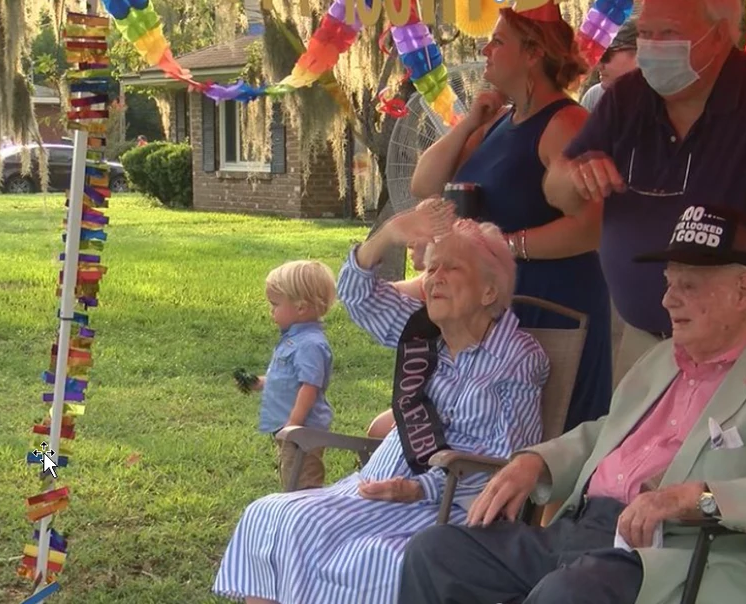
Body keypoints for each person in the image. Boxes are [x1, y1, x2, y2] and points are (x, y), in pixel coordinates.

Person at [399, 206, 746, 604]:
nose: (667, 299)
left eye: (689, 286)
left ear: (740, 292)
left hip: (679, 556)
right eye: (669, 283)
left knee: (567, 595)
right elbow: (607, 432)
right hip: (580, 534)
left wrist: (701, 498)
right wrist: (537, 462)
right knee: (435, 553)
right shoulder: (661, 359)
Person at [212, 204, 549, 604]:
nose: (434, 279)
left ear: (489, 291)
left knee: (374, 560)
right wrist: (389, 234)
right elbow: (356, 295)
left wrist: (418, 488)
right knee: (270, 516)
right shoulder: (425, 333)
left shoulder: (517, 357)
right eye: (432, 269)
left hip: (441, 510)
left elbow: (506, 464)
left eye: (451, 269)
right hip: (370, 493)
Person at [541, 0, 746, 385]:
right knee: (634, 445)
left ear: (718, 33)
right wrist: (574, 176)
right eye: (646, 35)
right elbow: (555, 189)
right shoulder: (626, 98)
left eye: (668, 34)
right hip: (642, 343)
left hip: (742, 344)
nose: (651, 46)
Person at [407, 0, 612, 432]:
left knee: (547, 436)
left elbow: (591, 227)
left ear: (533, 53)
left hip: (552, 304)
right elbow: (423, 183)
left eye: (498, 42)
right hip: (499, 308)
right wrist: (469, 123)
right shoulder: (498, 121)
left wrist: (505, 247)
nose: (485, 52)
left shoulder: (567, 122)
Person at [235, 260, 337, 490]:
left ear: (301, 308)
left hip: (304, 431)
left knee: (302, 485)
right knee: (290, 477)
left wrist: (293, 425)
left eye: (275, 304)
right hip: (292, 429)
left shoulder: (310, 345)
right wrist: (259, 382)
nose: (271, 311)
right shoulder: (296, 340)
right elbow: (289, 379)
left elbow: (309, 387)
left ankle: (306, 520)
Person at [579, 17, 638, 112]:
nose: (598, 65)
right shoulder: (596, 96)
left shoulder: (663, 102)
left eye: (605, 55)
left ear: (638, 53)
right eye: (597, 56)